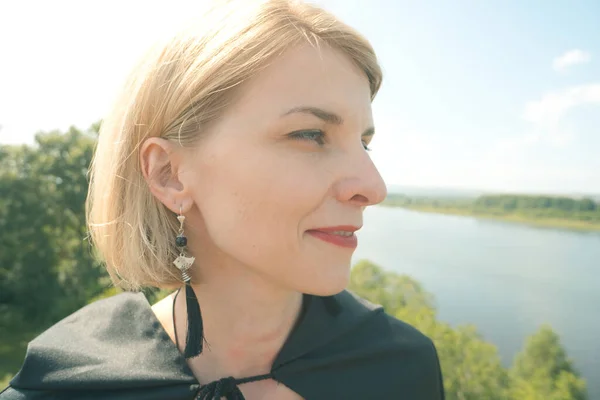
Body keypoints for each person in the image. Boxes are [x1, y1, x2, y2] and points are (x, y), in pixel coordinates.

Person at [1, 0, 445, 399]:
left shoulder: (401, 370)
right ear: (170, 174)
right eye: (310, 134)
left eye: (363, 143)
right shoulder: (65, 387)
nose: (373, 187)